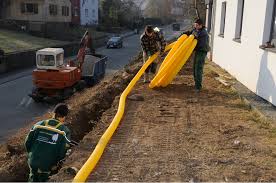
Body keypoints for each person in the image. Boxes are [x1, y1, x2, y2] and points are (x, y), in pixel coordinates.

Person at [25, 103, 71, 182]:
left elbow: (27, 143)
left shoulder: (38, 125)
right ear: (64, 117)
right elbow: (62, 152)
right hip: (47, 165)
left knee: (32, 178)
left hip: (33, 161)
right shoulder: (64, 131)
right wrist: (55, 165)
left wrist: (32, 155)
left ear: (54, 113)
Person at [183, 19, 209, 92]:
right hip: (197, 51)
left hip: (202, 51)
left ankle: (198, 87)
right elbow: (191, 32)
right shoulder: (196, 30)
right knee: (195, 67)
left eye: (197, 25)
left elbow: (196, 38)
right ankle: (196, 85)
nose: (195, 26)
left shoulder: (203, 33)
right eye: (195, 25)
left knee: (198, 68)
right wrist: (184, 34)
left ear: (201, 25)